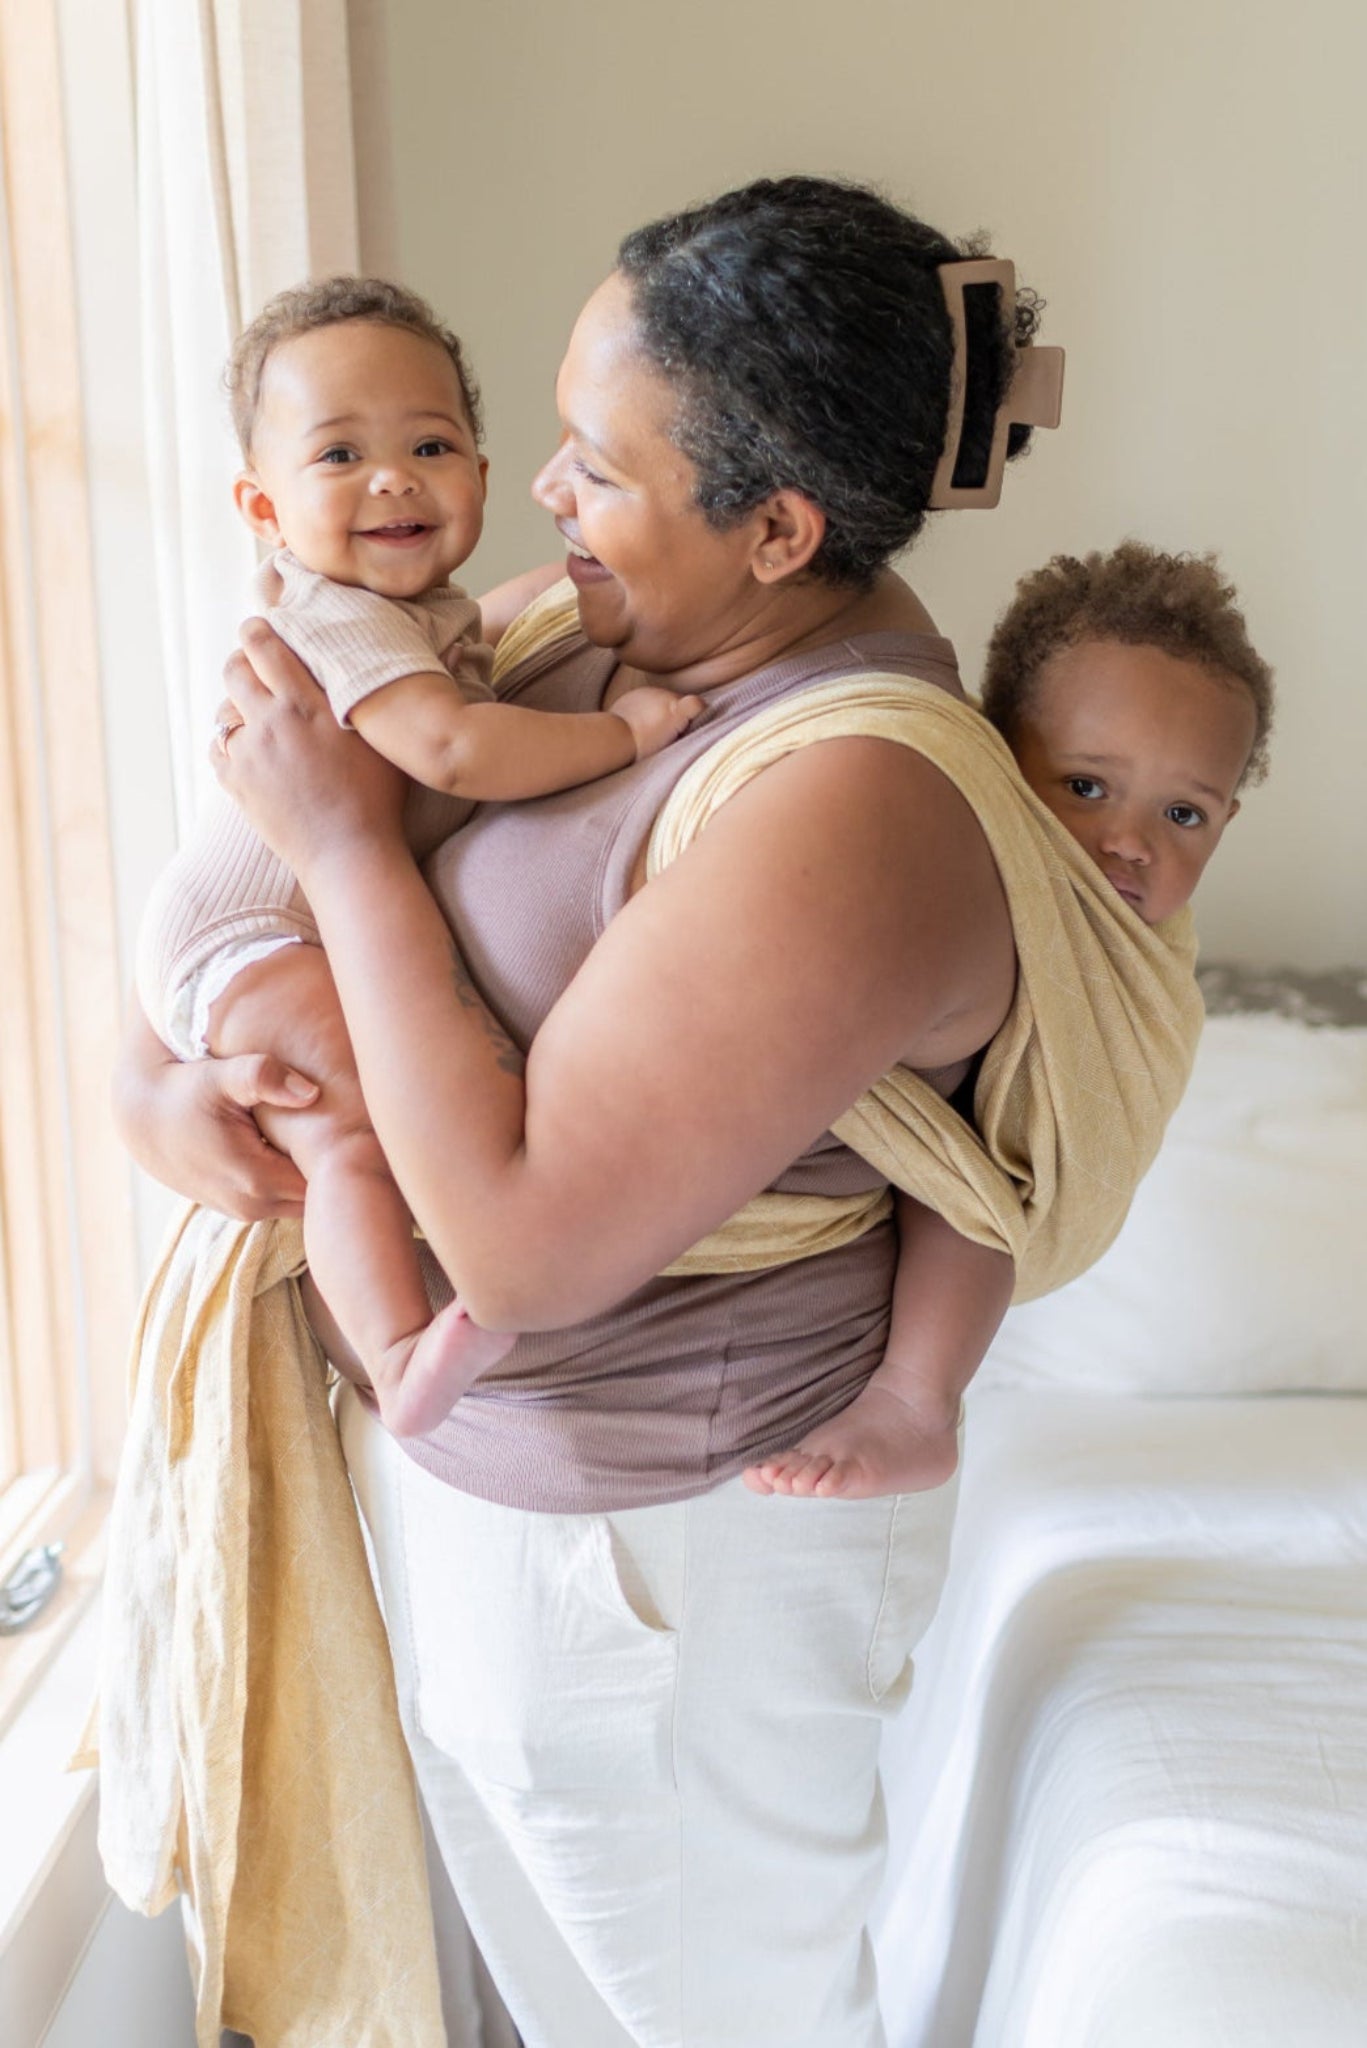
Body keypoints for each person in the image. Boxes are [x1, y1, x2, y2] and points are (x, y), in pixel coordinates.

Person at [117, 175, 1071, 2046]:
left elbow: (522, 1247)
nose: (540, 497)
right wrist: (172, 1088)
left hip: (681, 1557)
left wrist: (336, 846)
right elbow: (254, 890)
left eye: (591, 462)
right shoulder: (591, 633)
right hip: (503, 1519)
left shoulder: (850, 797)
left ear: (778, 527)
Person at [135, 277, 700, 1438]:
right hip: (244, 936)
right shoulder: (334, 614)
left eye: (429, 444)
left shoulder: (442, 616)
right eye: (338, 455)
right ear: (262, 504)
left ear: (481, 478)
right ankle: (394, 1352)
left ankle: (390, 1336)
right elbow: (448, 746)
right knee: (353, 1119)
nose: (391, 478)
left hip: (268, 932)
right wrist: (623, 734)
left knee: (356, 1115)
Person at [747, 539, 1275, 1500]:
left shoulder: (1134, 952)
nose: (1128, 842)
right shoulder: (965, 849)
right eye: (1084, 788)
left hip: (995, 1170)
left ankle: (917, 1401)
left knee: (972, 1193)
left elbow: (1066, 1128)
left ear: (1227, 821)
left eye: (1183, 816)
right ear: (992, 757)